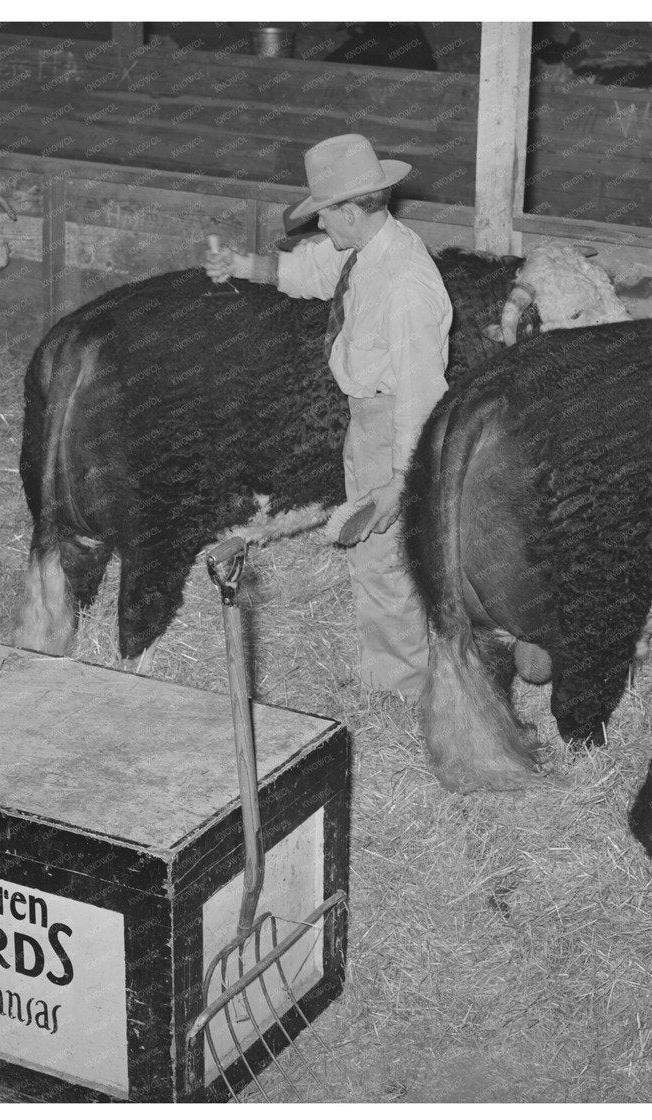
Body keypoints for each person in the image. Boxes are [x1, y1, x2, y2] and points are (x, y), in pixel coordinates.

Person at [206, 133, 453, 698]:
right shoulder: (365, 249)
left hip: (394, 427)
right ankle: (388, 667)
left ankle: (402, 687)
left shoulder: (408, 284)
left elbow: (422, 392)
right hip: (367, 420)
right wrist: (241, 264)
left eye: (324, 215)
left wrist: (400, 478)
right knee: (375, 558)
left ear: (348, 209)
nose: (322, 228)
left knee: (383, 559)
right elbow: (313, 271)